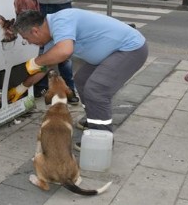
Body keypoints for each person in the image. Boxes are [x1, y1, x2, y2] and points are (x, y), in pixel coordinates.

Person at [8, 9, 148, 137]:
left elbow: (64, 51)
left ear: (35, 31)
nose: (30, 43)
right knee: (82, 80)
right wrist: (22, 87)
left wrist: (34, 62)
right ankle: (94, 117)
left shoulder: (61, 20)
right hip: (110, 53)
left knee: (96, 89)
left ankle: (100, 137)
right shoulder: (51, 37)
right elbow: (44, 68)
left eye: (26, 39)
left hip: (130, 49)